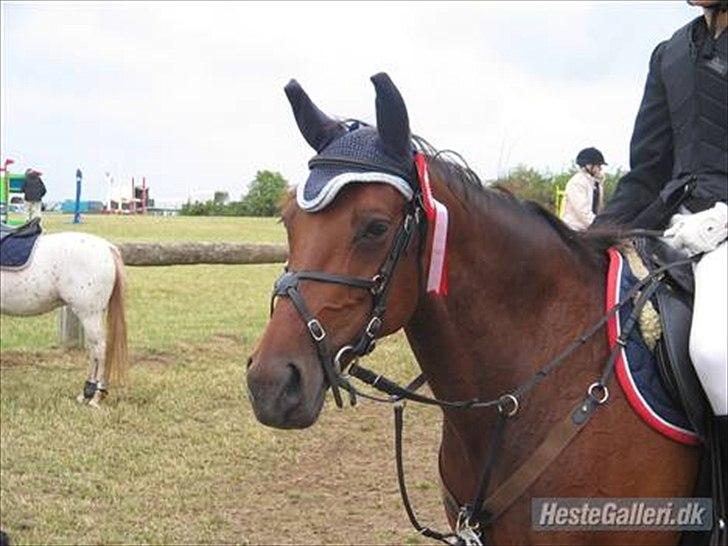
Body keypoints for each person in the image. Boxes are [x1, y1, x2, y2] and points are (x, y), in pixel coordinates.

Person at [593, 0, 727, 531]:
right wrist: (592, 238)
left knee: (715, 351)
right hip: (675, 227)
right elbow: (649, 169)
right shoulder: (670, 53)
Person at [561, 147, 606, 230]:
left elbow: (599, 209)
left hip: (588, 229)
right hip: (574, 229)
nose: (600, 168)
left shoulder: (596, 184)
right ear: (589, 166)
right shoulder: (577, 183)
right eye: (598, 165)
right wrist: (600, 226)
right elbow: (583, 212)